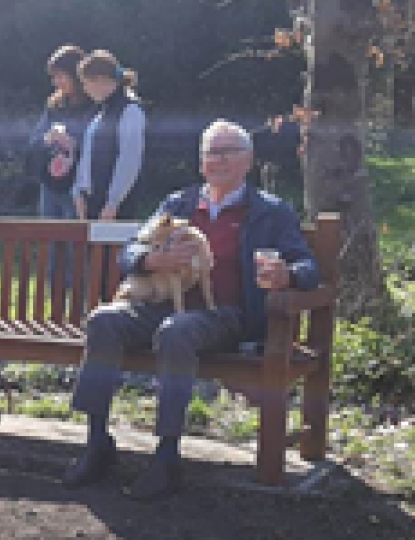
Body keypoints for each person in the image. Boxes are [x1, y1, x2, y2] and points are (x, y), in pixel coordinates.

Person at [63, 120, 320, 500]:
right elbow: (130, 251)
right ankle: (97, 441)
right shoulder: (178, 203)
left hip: (226, 315)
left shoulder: (270, 211)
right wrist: (154, 260)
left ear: (247, 159)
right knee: (104, 320)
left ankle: (167, 456)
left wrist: (288, 274)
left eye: (227, 151)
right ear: (201, 163)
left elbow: (309, 267)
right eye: (210, 153)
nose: (217, 160)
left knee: (176, 331)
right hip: (162, 303)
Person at [72, 50, 146, 221]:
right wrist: (78, 191)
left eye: (86, 83)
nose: (84, 89)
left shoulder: (130, 110)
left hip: (114, 208)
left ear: (99, 79)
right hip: (91, 202)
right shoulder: (100, 113)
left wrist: (113, 202)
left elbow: (129, 160)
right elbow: (86, 157)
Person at [29, 45, 95, 223]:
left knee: (74, 244)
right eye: (54, 77)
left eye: (60, 76)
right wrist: (47, 139)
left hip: (77, 188)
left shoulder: (95, 105)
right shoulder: (54, 105)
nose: (56, 82)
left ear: (75, 75)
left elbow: (99, 145)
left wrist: (74, 143)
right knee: (49, 243)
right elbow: (34, 140)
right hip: (51, 186)